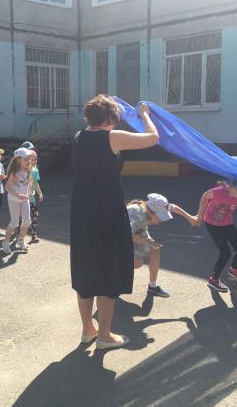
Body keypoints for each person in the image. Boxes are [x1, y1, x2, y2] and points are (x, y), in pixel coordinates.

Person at [70, 95, 158, 350]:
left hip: (82, 209)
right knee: (108, 270)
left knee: (86, 267)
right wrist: (144, 114)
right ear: (109, 119)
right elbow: (153, 138)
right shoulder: (112, 137)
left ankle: (88, 330)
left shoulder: (79, 136)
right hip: (106, 209)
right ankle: (105, 336)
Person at [127, 193, 198, 298]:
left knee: (155, 249)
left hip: (138, 229)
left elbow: (174, 207)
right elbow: (125, 234)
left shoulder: (159, 206)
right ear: (151, 212)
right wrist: (146, 241)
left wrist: (190, 218)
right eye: (160, 217)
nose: (161, 220)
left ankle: (153, 287)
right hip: (117, 233)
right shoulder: (137, 216)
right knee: (137, 264)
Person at [1, 148, 33, 254]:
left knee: (27, 221)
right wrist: (18, 195)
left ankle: (21, 240)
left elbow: (28, 183)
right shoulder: (14, 173)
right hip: (14, 200)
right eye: (25, 159)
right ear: (18, 160)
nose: (28, 161)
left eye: (29, 159)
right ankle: (5, 243)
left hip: (24, 199)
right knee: (14, 222)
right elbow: (7, 187)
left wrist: (29, 192)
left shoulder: (28, 170)